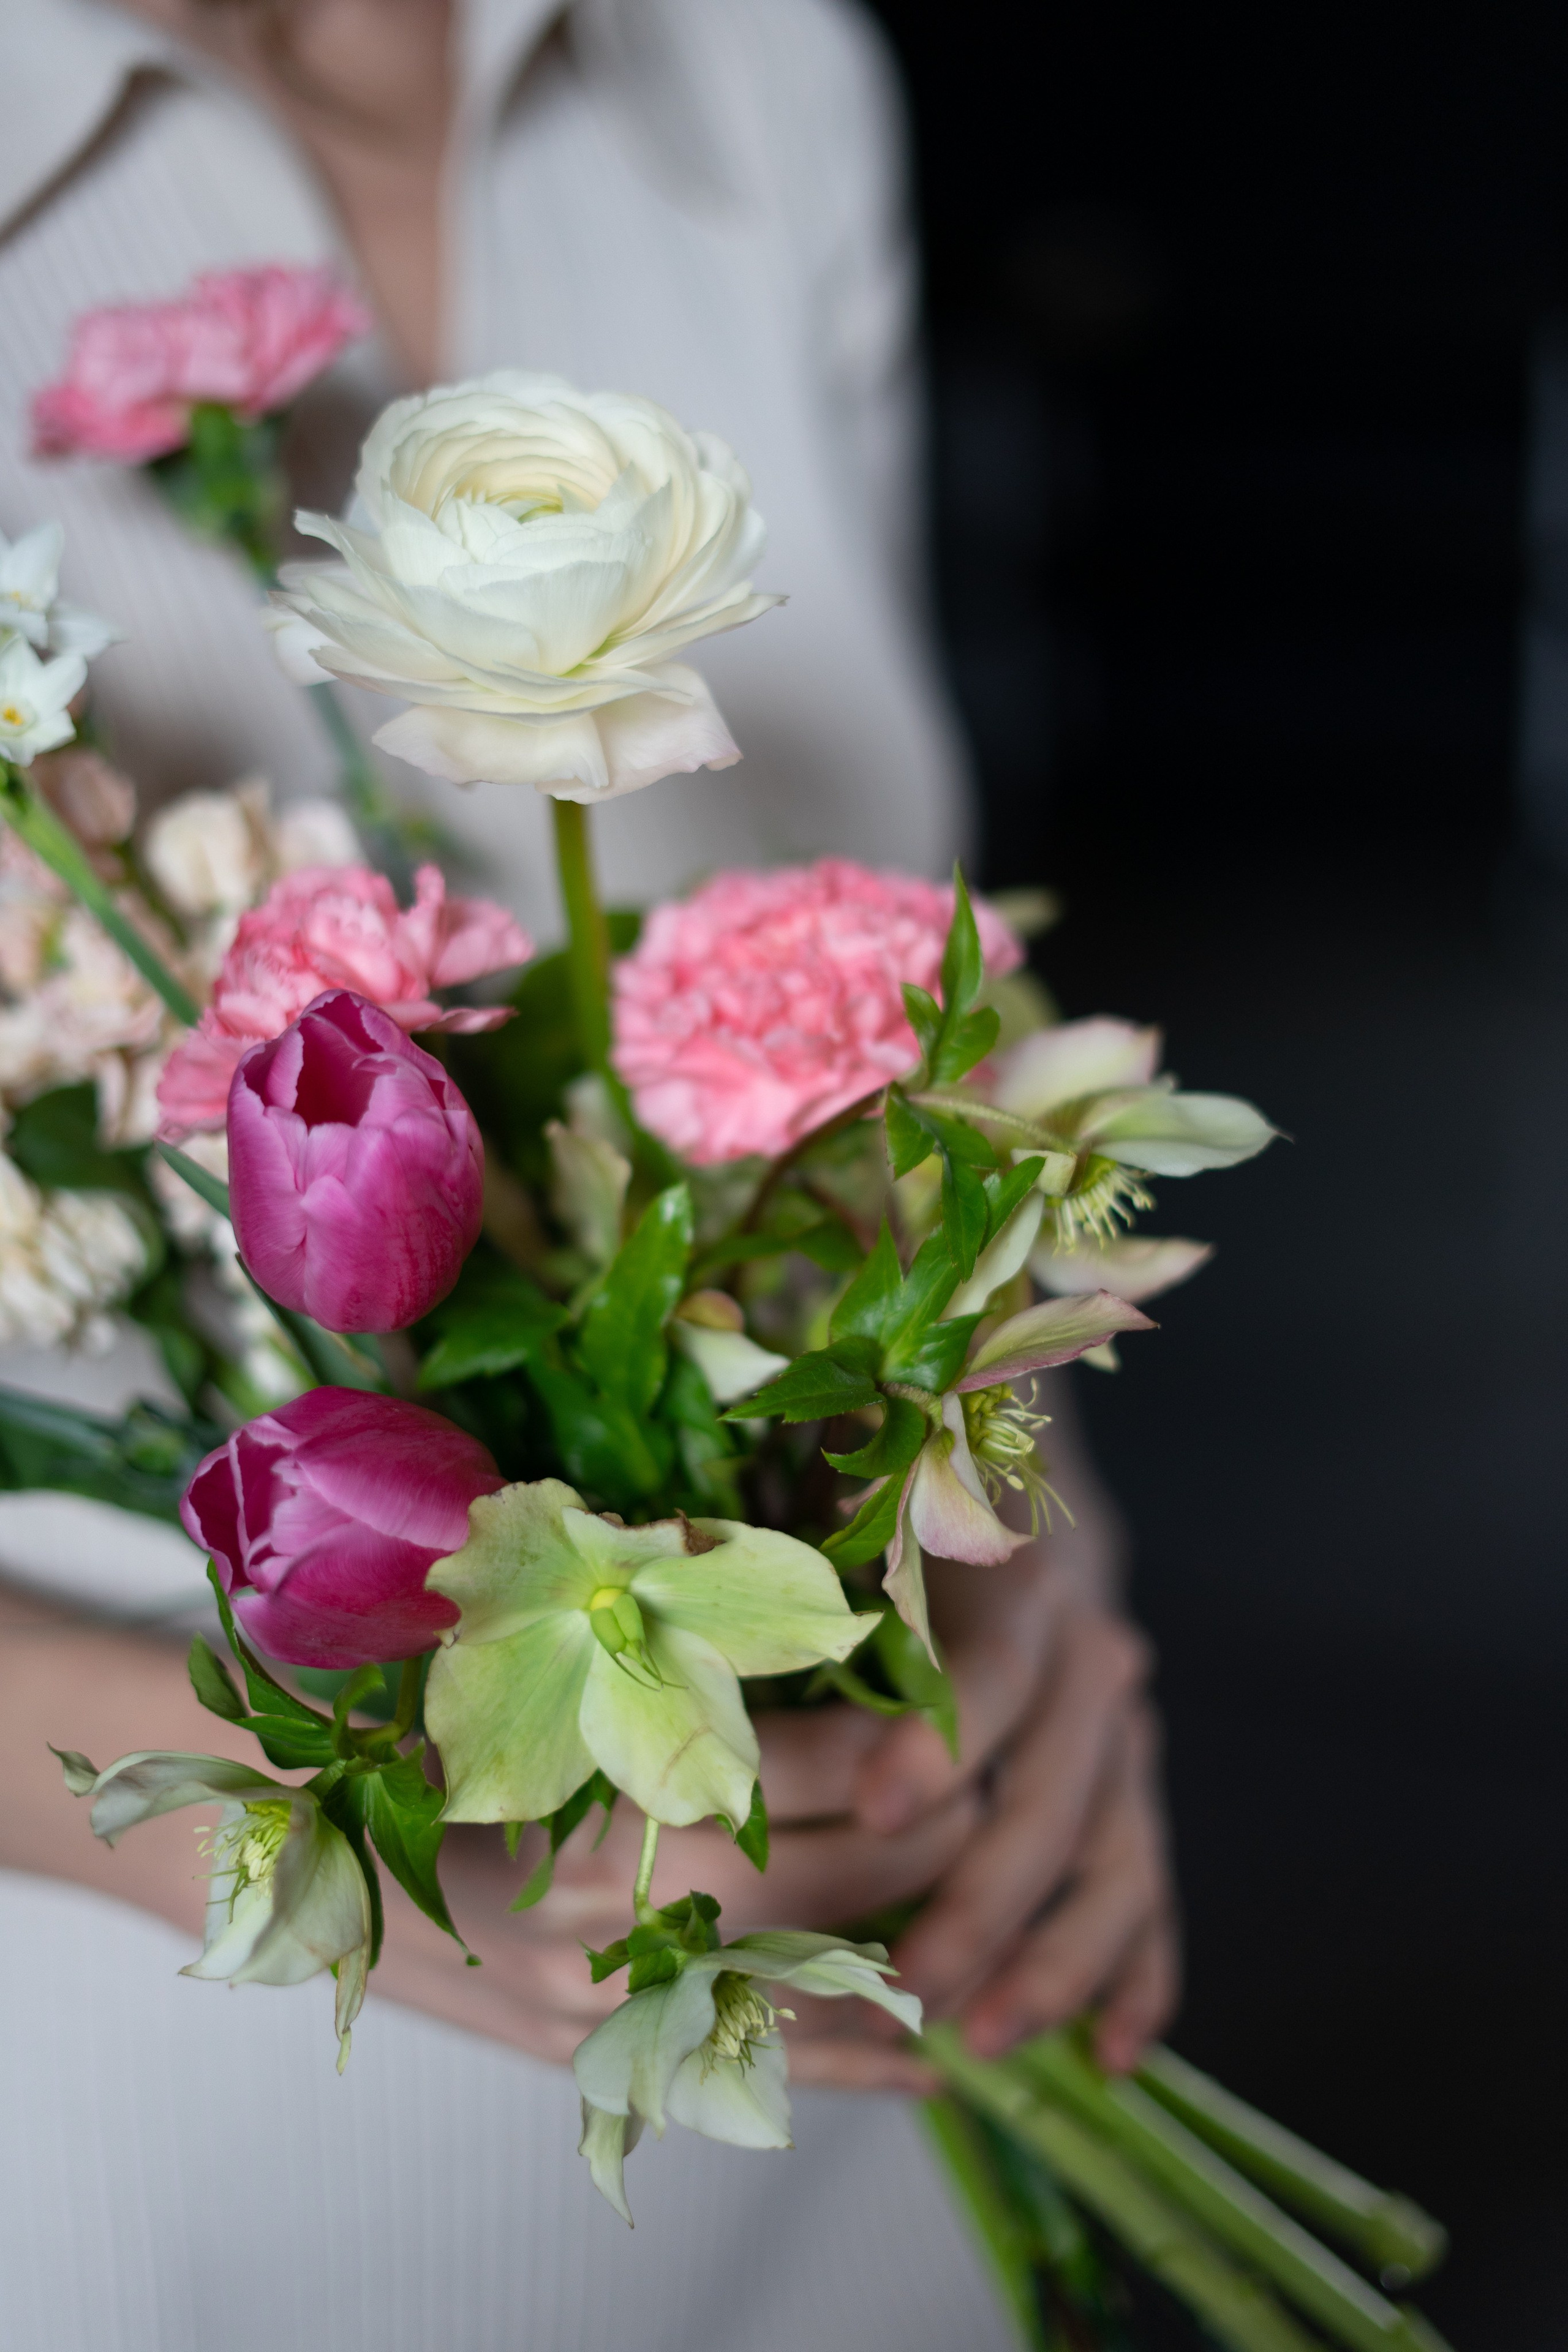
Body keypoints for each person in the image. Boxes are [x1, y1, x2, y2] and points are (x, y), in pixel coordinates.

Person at [0, 6, 1177, 2347]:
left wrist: (1045, 1626)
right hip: (185, 2084)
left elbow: (893, 1013)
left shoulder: (759, 70)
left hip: (858, 2040)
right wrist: (405, 1818)